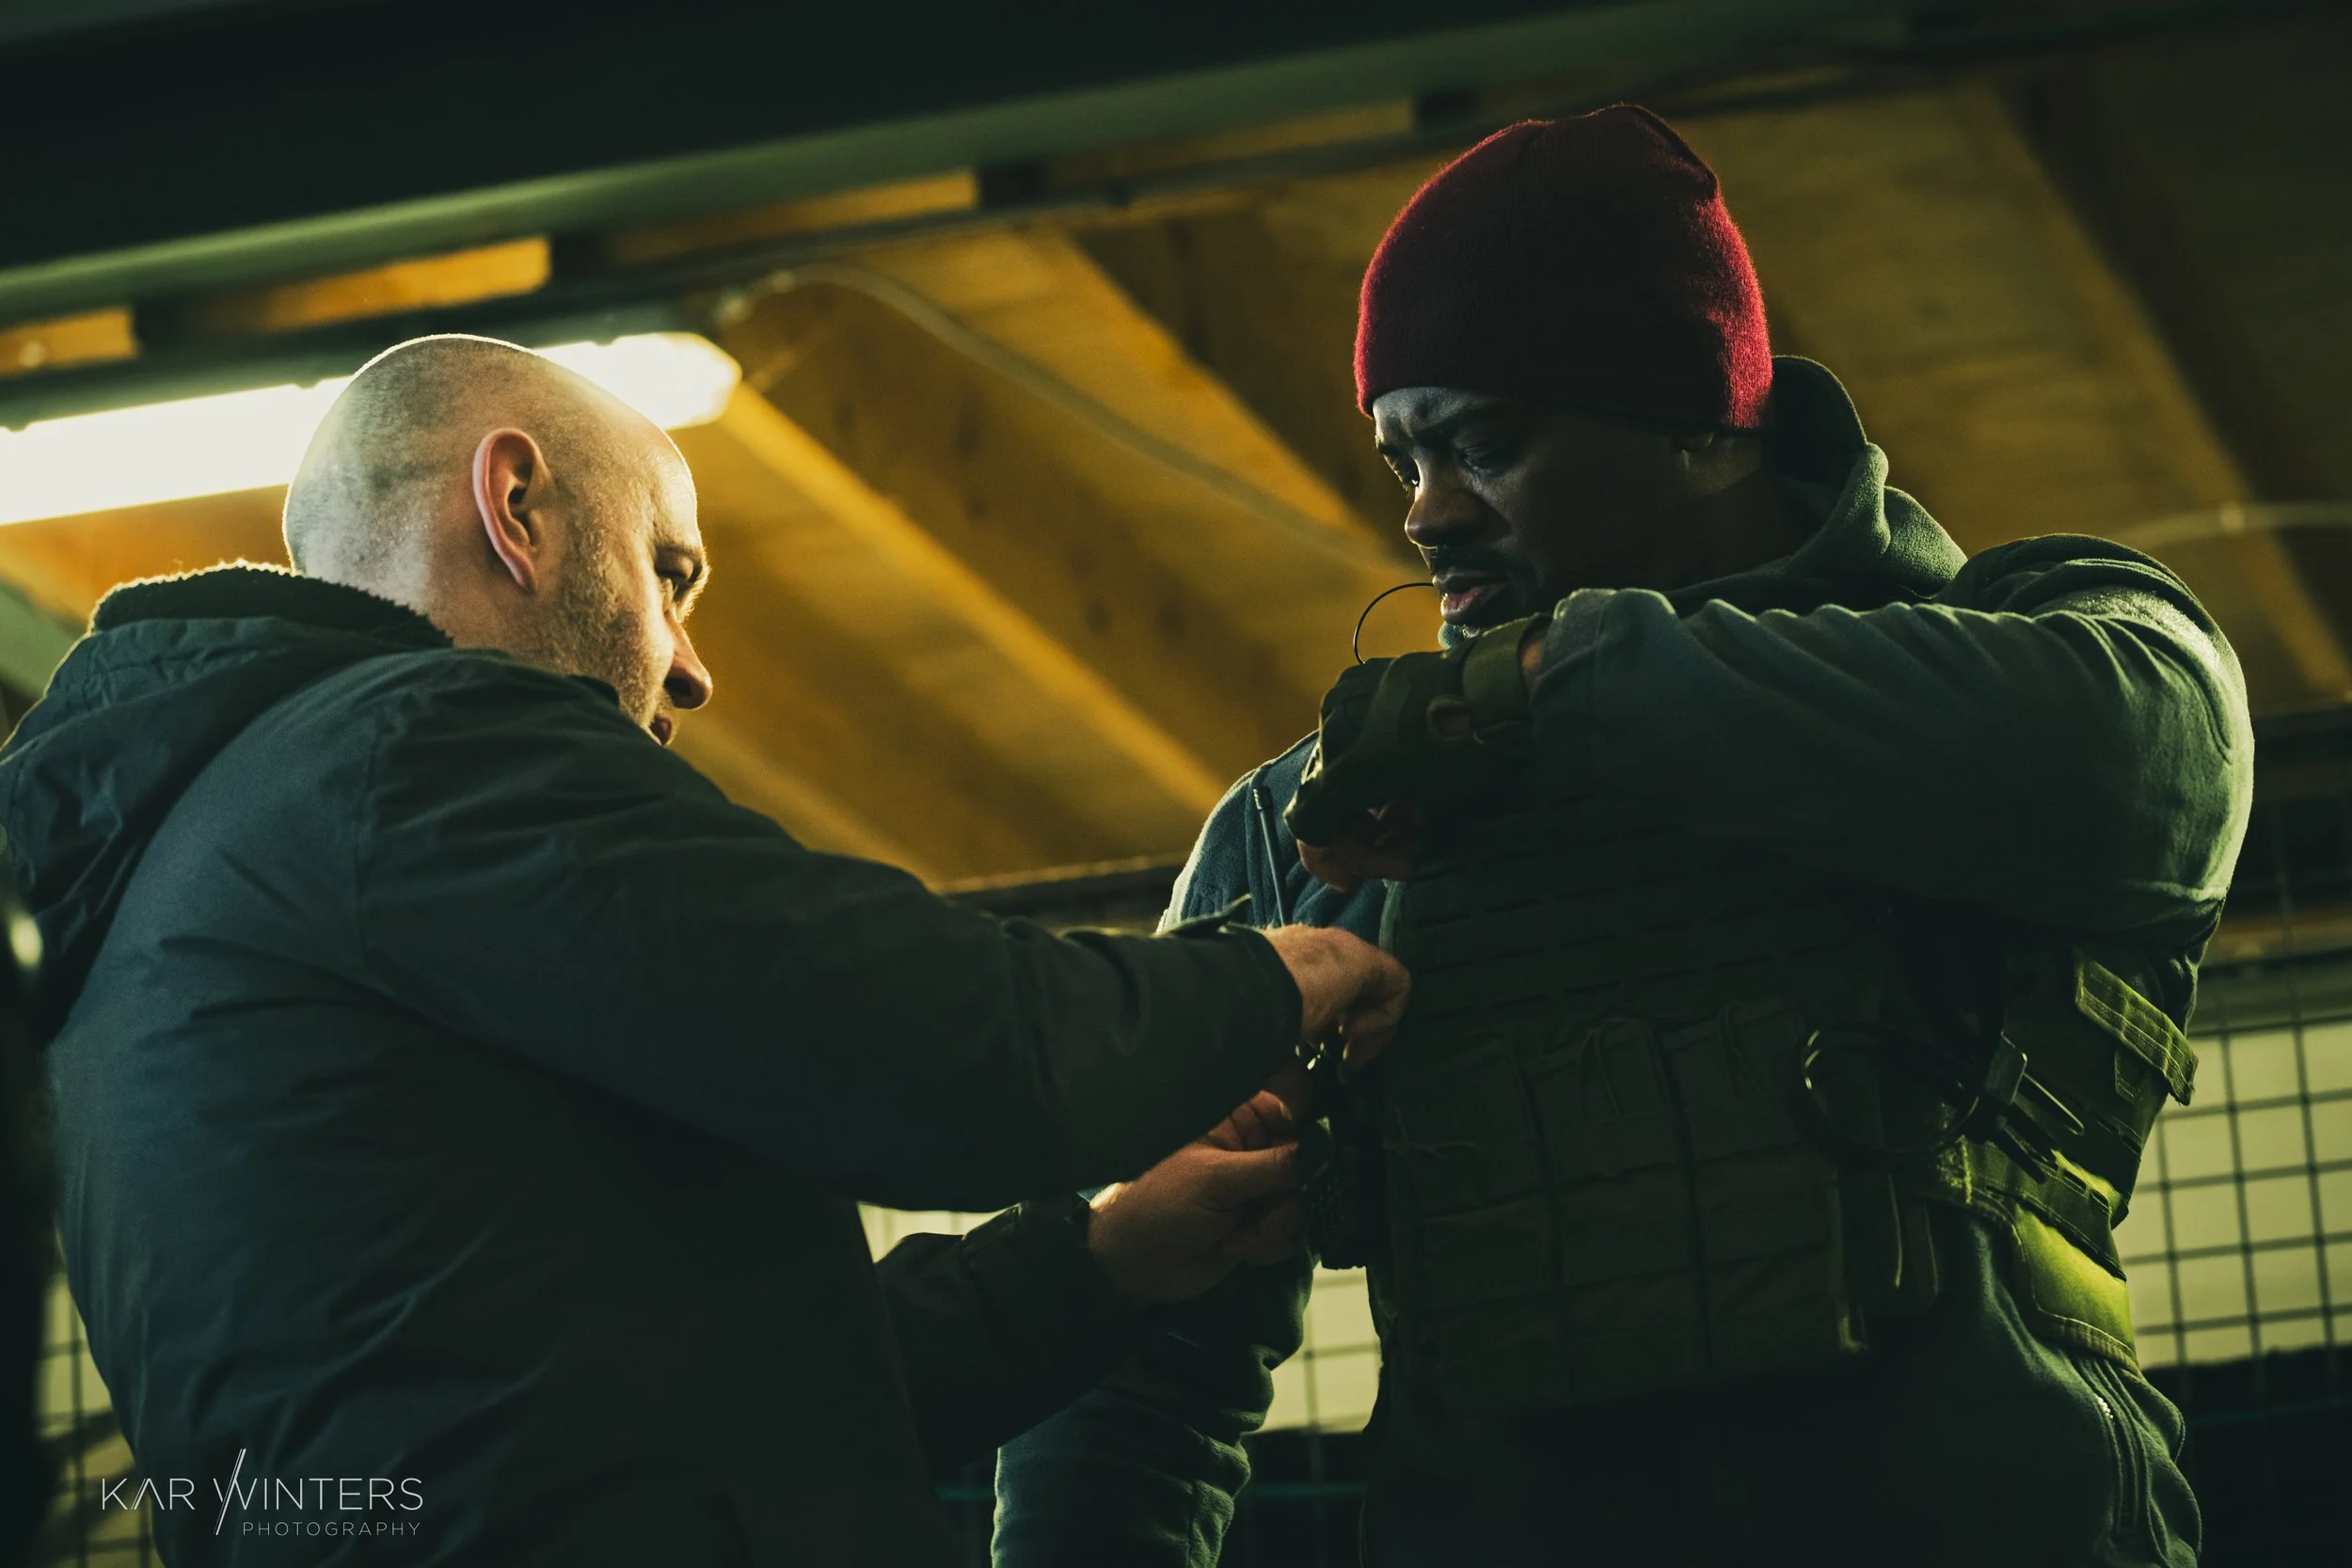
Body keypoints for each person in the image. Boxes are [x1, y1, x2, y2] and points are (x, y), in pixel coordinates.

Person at [993, 105, 2249, 1568]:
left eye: (1484, 443)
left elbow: (2137, 768)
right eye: (1403, 456)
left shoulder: (2041, 649)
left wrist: (1543, 686)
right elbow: (1147, 1349)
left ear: (1699, 424)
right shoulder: (1316, 827)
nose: (1426, 513)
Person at [0, 334, 1411, 1566]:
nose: (690, 664)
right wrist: (1271, 976)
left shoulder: (174, 910)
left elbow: (663, 1418)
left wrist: (1099, 1262)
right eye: (669, 574)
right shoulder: (407, 753)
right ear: (517, 507)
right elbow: (916, 1036)